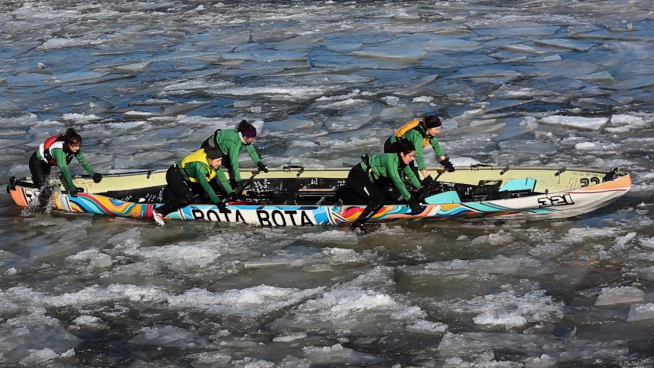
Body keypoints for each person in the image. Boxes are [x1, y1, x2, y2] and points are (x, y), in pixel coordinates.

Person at [347, 139, 430, 233]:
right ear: (402, 154)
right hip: (358, 175)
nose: (412, 159)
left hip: (369, 178)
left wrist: (421, 188)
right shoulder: (390, 160)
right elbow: (397, 181)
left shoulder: (401, 160)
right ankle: (357, 224)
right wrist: (410, 200)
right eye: (410, 156)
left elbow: (411, 175)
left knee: (393, 194)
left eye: (413, 156)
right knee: (378, 200)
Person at [153, 147, 237, 226]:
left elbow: (222, 178)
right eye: (217, 161)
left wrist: (230, 192)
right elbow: (205, 185)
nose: (220, 163)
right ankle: (159, 210)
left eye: (220, 160)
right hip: (175, 174)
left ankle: (173, 199)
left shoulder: (213, 161)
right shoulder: (200, 166)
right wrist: (218, 202)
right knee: (187, 197)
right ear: (209, 160)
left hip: (188, 176)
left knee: (205, 194)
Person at [29, 128, 102, 210]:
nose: (77, 148)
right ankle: (39, 211)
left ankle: (37, 184)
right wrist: (72, 188)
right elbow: (64, 170)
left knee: (45, 184)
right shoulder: (59, 151)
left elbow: (83, 162)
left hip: (47, 164)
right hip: (37, 162)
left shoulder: (74, 149)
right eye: (75, 146)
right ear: (68, 144)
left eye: (79, 145)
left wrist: (93, 174)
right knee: (45, 190)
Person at [384, 115, 455, 186]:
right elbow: (419, 156)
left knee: (411, 167)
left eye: (439, 129)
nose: (438, 132)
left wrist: (445, 162)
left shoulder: (428, 133)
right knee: (403, 167)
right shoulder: (417, 135)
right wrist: (427, 177)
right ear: (428, 128)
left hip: (406, 149)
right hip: (392, 146)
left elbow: (436, 145)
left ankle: (413, 183)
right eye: (436, 129)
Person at [200, 120, 269, 188]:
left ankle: (233, 183)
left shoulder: (243, 137)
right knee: (217, 167)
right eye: (252, 138)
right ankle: (218, 186)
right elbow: (234, 162)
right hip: (209, 147)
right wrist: (238, 180)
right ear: (245, 137)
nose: (254, 140)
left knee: (229, 166)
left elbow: (251, 151)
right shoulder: (234, 143)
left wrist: (259, 163)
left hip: (222, 149)